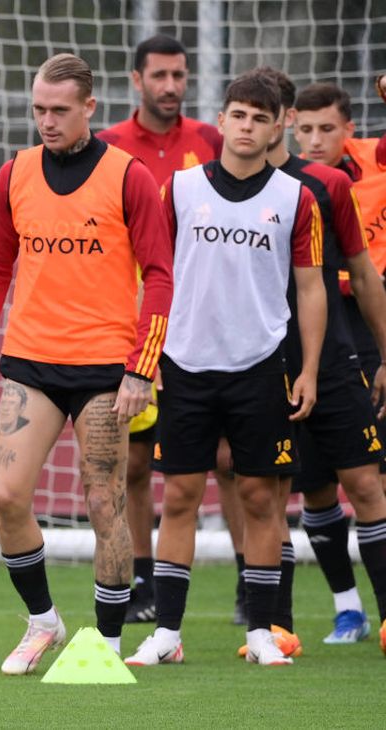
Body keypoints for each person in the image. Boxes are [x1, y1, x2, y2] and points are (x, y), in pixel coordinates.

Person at [0, 53, 173, 671]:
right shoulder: (14, 173)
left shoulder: (128, 177)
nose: (46, 121)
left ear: (90, 108)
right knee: (7, 496)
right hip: (31, 363)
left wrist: (140, 368)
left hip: (106, 368)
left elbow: (159, 275)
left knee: (105, 502)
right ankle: (44, 622)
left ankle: (105, 644)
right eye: (38, 109)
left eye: (59, 110)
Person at [124, 72, 327, 667]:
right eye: (238, 114)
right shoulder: (181, 189)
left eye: (260, 118)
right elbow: (153, 276)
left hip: (261, 366)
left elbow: (311, 290)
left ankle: (262, 631)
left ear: (278, 126)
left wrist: (309, 368)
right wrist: (148, 355)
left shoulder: (296, 198)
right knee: (181, 494)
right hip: (184, 364)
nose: (247, 127)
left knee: (262, 498)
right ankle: (167, 633)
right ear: (221, 119)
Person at [96, 34, 249, 625]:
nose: (170, 86)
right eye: (159, 75)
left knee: (228, 459)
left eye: (179, 76)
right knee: (133, 463)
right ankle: (140, 583)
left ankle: (246, 579)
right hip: (137, 325)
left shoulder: (210, 142)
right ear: (136, 80)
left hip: (206, 325)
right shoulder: (109, 148)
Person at [294, 81, 386, 653]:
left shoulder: (375, 160)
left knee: (370, 478)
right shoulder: (277, 183)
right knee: (316, 483)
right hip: (307, 336)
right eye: (304, 128)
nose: (315, 139)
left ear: (349, 129)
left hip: (368, 324)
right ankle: (346, 608)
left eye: (327, 128)